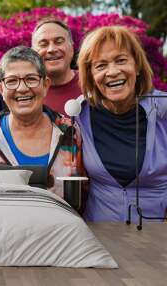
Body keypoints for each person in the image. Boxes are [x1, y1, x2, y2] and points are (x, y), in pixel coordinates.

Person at [76, 25, 167, 222]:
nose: (113, 71)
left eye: (121, 60)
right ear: (90, 75)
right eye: (101, 66)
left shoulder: (163, 110)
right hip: (99, 238)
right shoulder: (80, 115)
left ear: (137, 66)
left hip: (158, 240)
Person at [0, 46, 84, 197]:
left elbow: (84, 190)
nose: (22, 88)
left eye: (31, 79)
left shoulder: (70, 132)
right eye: (12, 81)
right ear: (1, 89)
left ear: (45, 85)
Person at [32, 18, 81, 115]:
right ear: (33, 52)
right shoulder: (26, 92)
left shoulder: (92, 83)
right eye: (43, 44)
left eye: (59, 41)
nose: (51, 49)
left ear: (71, 46)